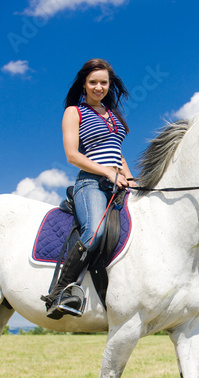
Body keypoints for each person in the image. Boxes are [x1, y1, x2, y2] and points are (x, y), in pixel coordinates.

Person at [42, 59, 136, 320]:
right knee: (95, 231)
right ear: (84, 83)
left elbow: (117, 154)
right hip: (90, 184)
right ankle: (60, 292)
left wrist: (130, 178)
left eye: (103, 82)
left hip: (117, 183)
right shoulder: (75, 112)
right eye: (93, 82)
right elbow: (72, 155)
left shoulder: (113, 115)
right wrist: (107, 171)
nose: (98, 87)